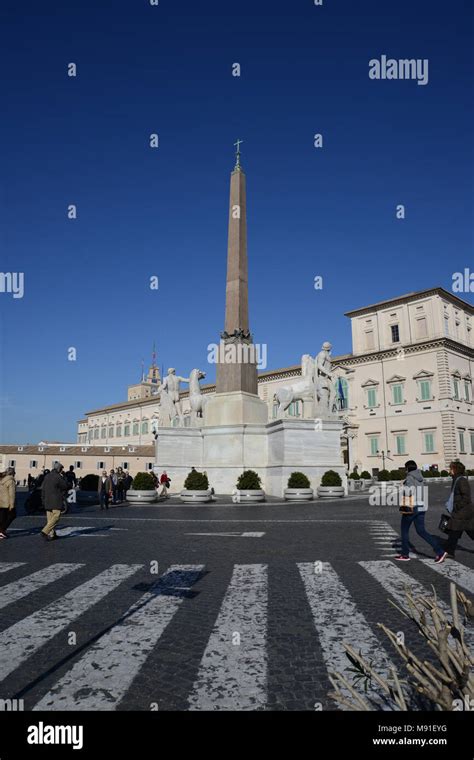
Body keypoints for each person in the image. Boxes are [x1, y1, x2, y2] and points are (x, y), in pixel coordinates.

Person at [395, 460, 446, 563]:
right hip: (422, 506)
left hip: (412, 507)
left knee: (404, 531)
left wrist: (402, 486)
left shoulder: (409, 477)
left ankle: (405, 554)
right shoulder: (420, 477)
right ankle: (440, 551)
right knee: (421, 531)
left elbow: (409, 492)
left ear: (408, 468)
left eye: (405, 468)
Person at [444, 461, 474, 559]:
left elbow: (466, 497)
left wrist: (456, 507)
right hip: (462, 512)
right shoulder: (456, 479)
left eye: (451, 468)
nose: (449, 470)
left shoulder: (461, 480)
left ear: (456, 469)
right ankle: (450, 552)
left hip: (462, 512)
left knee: (454, 531)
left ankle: (449, 552)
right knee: (468, 531)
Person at [40, 462, 69, 541]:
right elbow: (65, 486)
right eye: (62, 469)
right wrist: (64, 477)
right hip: (55, 500)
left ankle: (52, 534)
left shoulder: (47, 476)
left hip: (47, 499)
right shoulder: (58, 477)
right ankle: (45, 531)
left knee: (50, 518)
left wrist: (43, 499)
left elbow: (43, 488)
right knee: (56, 516)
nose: (62, 470)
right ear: (59, 469)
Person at [0, 467, 17, 539]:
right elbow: (11, 494)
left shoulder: (2, 480)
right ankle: (2, 531)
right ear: (13, 473)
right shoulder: (11, 481)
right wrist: (12, 505)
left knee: (2, 517)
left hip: (1, 502)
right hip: (7, 503)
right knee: (12, 515)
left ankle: (1, 531)